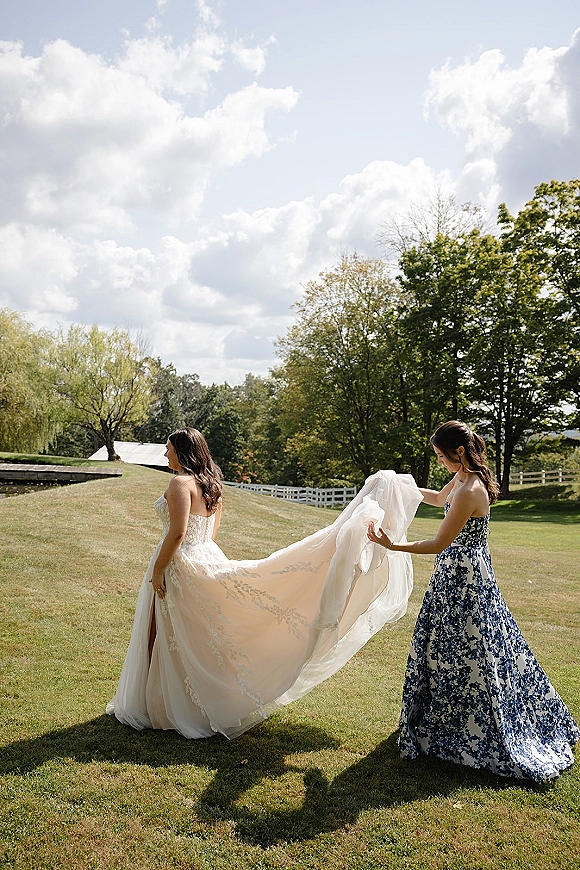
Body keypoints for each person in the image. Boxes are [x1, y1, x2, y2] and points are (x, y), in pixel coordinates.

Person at [107, 427, 423, 739]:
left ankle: (159, 705)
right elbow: (210, 533)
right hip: (206, 554)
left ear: (183, 451)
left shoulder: (180, 483)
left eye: (169, 448)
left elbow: (177, 533)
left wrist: (160, 570)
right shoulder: (212, 485)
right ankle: (183, 702)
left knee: (161, 631)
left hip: (180, 563)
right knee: (197, 636)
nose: (165, 454)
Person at [367, 420, 579, 783]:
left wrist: (392, 545)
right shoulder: (461, 479)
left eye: (440, 455)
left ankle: (477, 726)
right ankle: (446, 718)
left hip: (465, 578)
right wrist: (397, 487)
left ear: (459, 452)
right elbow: (435, 498)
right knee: (447, 647)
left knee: (474, 650)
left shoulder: (470, 490)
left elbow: (437, 543)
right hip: (451, 575)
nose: (439, 462)